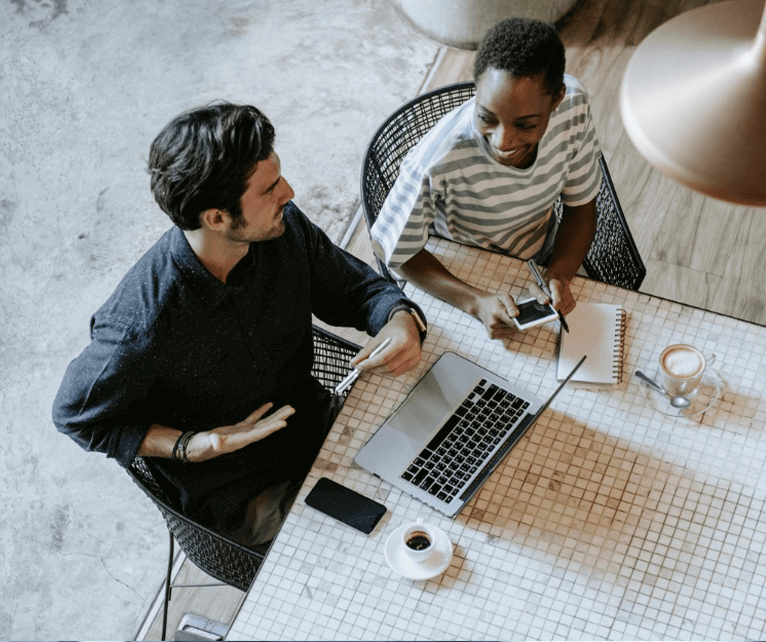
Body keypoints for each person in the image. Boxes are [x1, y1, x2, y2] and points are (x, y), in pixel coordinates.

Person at [52, 102, 426, 549]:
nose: (289, 192)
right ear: (216, 217)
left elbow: (357, 291)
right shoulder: (142, 323)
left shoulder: (280, 228)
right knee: (360, 562)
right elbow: (75, 416)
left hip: (316, 426)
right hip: (239, 490)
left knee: (432, 490)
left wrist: (399, 318)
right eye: (269, 189)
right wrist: (192, 445)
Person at [371, 17, 603, 340]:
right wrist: (475, 301)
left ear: (557, 99)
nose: (503, 142)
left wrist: (561, 273)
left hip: (541, 264)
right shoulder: (434, 162)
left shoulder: (574, 107)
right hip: (462, 276)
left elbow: (581, 207)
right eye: (486, 118)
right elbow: (391, 249)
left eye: (526, 125)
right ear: (476, 89)